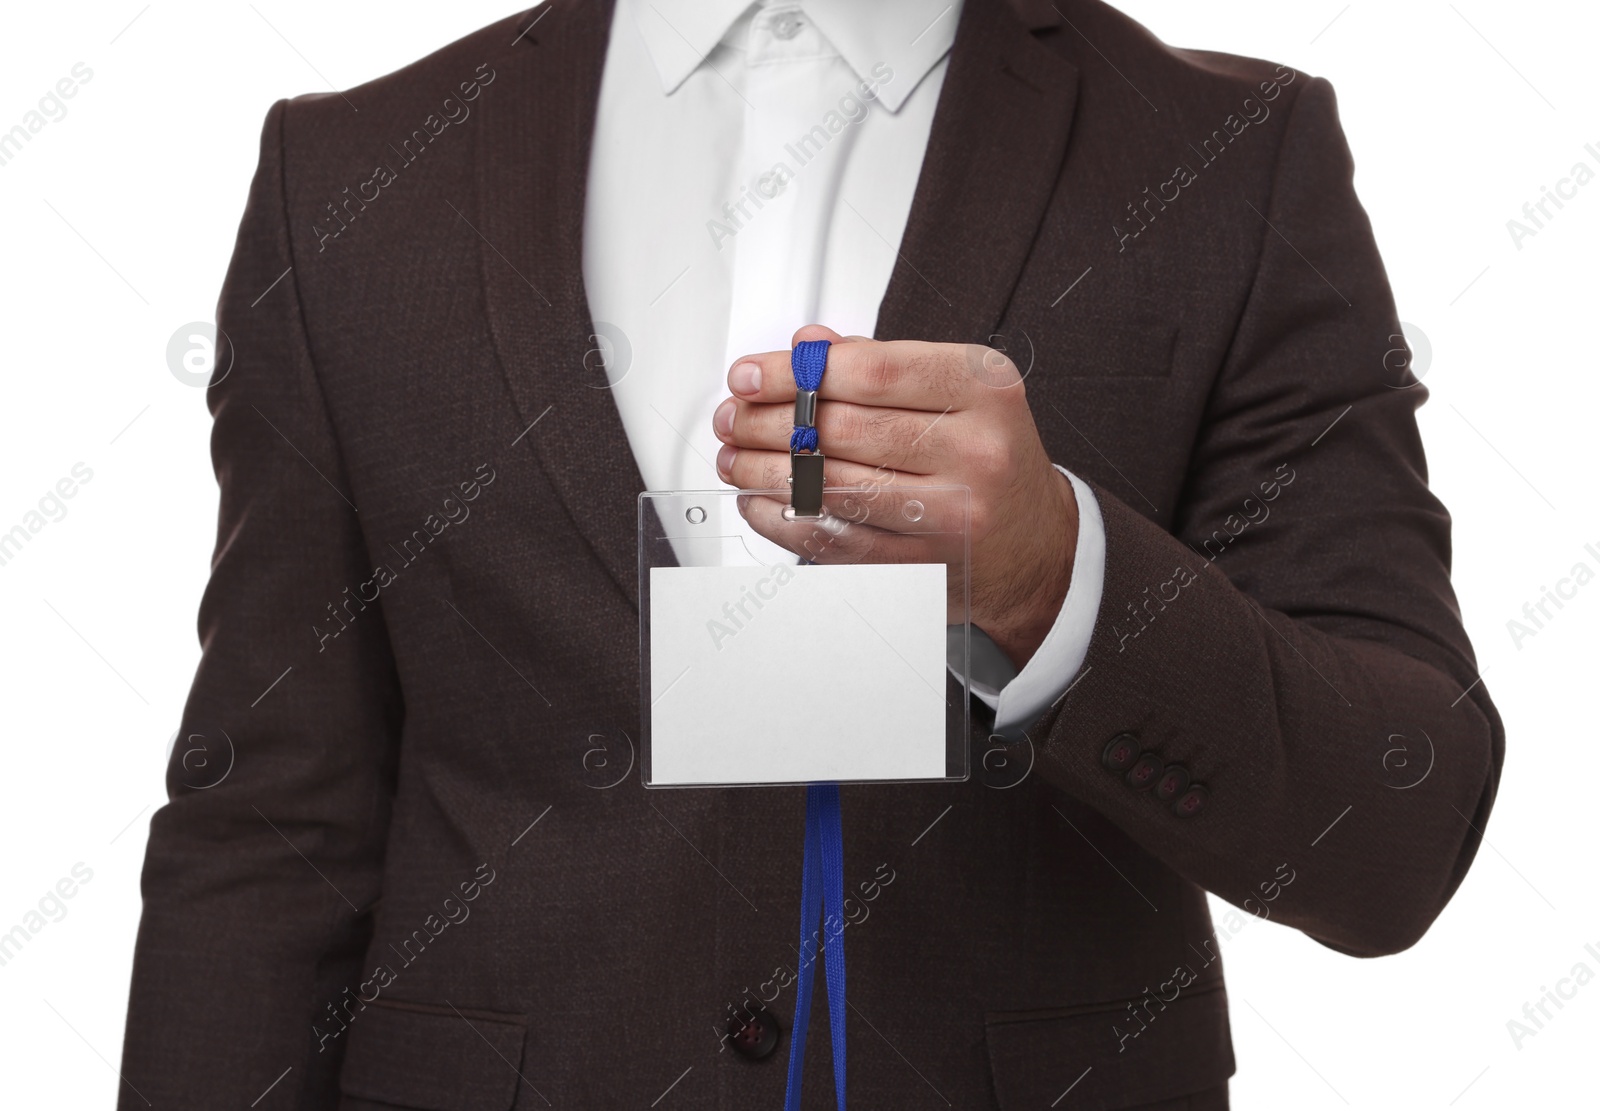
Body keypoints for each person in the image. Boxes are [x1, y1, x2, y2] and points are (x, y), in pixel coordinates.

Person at [119, 0, 1502, 1107]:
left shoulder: (1227, 159)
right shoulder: (352, 179)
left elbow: (1395, 828)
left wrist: (1054, 578)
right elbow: (270, 831)